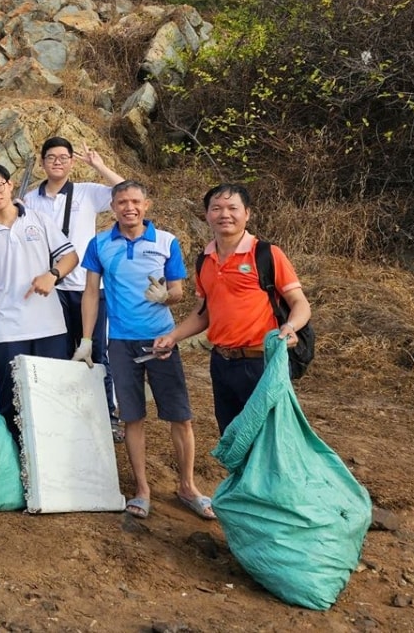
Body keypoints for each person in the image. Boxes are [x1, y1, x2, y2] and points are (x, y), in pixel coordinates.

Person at [81, 180, 213, 520]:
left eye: (135, 201)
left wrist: (165, 296)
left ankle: (188, 486)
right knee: (132, 417)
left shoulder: (167, 241)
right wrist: (86, 340)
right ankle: (142, 490)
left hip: (161, 340)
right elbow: (92, 293)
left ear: (147, 204)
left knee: (180, 416)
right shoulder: (99, 244)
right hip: (120, 342)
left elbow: (178, 292)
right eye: (122, 202)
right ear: (113, 207)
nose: (129, 208)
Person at [153, 183, 312, 434]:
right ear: (207, 215)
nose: (224, 214)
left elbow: (299, 303)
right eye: (216, 208)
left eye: (232, 208)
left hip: (262, 363)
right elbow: (203, 312)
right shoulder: (204, 259)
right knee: (231, 434)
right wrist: (173, 337)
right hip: (221, 363)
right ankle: (239, 475)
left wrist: (290, 326)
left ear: (247, 213)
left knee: (267, 438)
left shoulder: (266, 254)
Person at [0, 162, 78, 438]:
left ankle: (54, 465)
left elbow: (71, 257)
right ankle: (17, 466)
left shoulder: (38, 220)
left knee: (53, 396)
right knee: (10, 402)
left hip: (50, 326)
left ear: (10, 184)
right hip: (7, 330)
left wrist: (53, 274)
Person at [23, 136, 124, 437]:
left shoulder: (87, 193)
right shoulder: (29, 199)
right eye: (51, 156)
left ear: (71, 161)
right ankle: (67, 413)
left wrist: (100, 166)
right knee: (60, 351)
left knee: (96, 351)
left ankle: (107, 415)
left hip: (88, 287)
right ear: (42, 162)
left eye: (64, 156)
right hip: (51, 288)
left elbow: (127, 192)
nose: (57, 161)